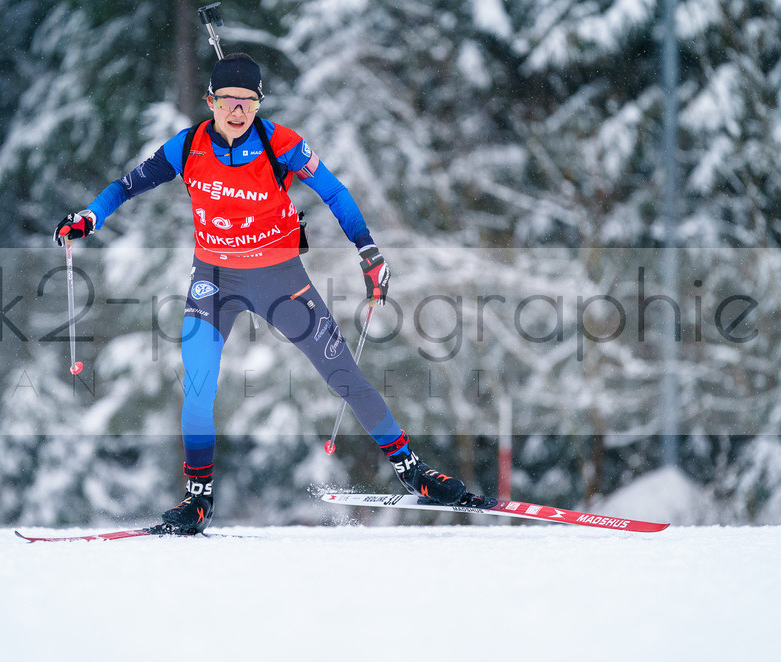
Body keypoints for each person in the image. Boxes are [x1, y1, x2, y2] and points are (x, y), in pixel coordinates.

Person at [55, 54, 484, 533]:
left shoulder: (280, 144)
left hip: (280, 279)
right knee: (198, 385)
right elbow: (126, 186)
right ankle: (198, 500)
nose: (237, 111)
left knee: (341, 372)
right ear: (210, 102)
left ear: (259, 104)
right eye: (227, 101)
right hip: (213, 281)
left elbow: (335, 193)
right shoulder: (187, 146)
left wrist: (369, 251)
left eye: (248, 102)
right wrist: (89, 217)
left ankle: (412, 471)